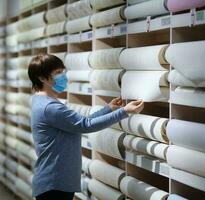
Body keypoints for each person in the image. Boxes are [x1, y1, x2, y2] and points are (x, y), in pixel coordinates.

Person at [28, 54, 144, 200]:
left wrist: (108, 109)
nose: (63, 76)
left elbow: (79, 123)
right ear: (42, 78)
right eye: (57, 73)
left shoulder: (42, 101)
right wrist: (124, 112)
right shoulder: (49, 107)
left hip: (54, 181)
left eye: (62, 71)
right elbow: (85, 125)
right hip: (55, 183)